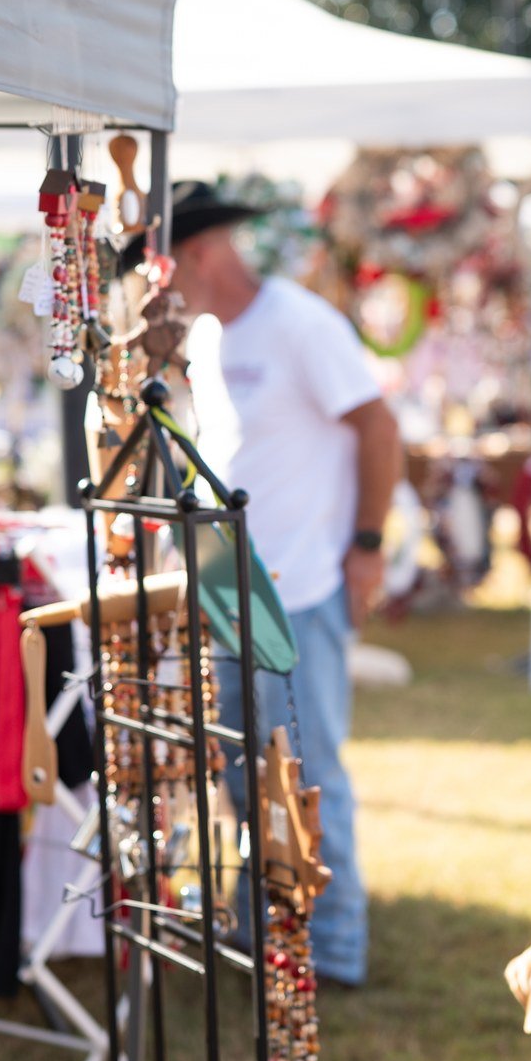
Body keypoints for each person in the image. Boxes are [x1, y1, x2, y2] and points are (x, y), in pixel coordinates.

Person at [172, 181, 402, 988]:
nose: (153, 280)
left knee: (306, 772)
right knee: (241, 767)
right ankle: (266, 922)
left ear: (199, 252)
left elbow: (378, 426)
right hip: (228, 584)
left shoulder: (302, 323)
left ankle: (335, 948)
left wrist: (367, 545)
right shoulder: (205, 337)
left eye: (160, 261)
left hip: (300, 582)